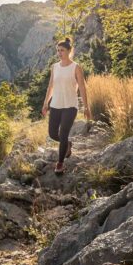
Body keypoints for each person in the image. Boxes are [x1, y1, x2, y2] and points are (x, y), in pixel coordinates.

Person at [41, 37, 91, 174]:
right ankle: (67, 144)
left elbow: (82, 88)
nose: (59, 53)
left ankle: (60, 163)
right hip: (56, 104)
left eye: (62, 50)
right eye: (58, 50)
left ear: (69, 51)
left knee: (63, 133)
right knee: (52, 133)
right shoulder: (54, 67)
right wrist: (46, 103)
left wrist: (86, 107)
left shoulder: (76, 67)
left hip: (70, 106)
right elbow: (50, 86)